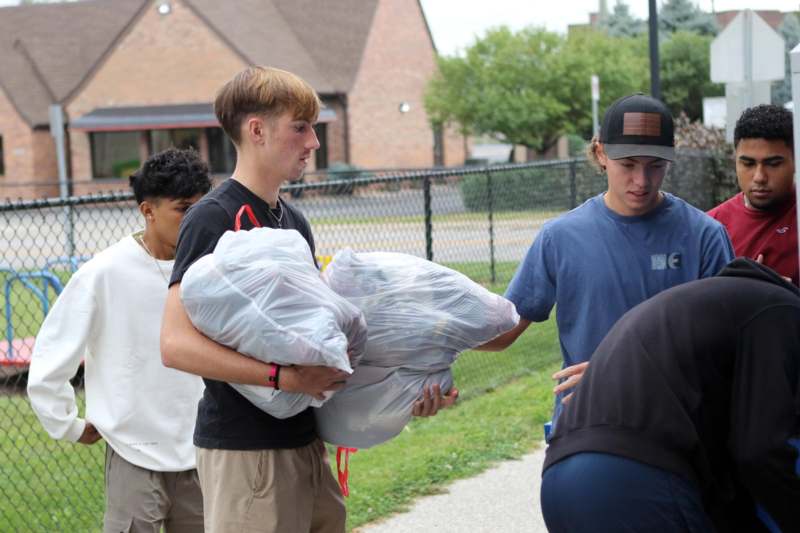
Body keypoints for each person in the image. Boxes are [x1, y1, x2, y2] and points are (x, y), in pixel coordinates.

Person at [159, 66, 457, 533]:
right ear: (256, 130)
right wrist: (284, 377)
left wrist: (408, 387)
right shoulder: (211, 219)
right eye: (300, 127)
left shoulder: (293, 221)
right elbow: (175, 344)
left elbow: (316, 339)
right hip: (247, 453)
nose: (314, 142)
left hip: (306, 443)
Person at [480, 93, 734, 424]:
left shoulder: (704, 236)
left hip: (677, 433)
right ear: (601, 153)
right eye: (628, 164)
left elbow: (724, 349)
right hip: (587, 430)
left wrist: (618, 375)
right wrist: (418, 351)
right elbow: (503, 333)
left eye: (655, 166)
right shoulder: (560, 237)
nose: (642, 181)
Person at [540, 258, 800, 533]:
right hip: (634, 480)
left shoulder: (718, 302)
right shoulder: (783, 311)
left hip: (561, 479)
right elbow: (761, 451)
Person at [27, 148, 212, 533]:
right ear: (148, 210)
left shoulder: (210, 267)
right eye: (182, 209)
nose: (194, 219)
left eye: (201, 208)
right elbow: (50, 358)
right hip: (133, 451)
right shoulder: (104, 273)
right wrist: (70, 425)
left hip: (202, 449)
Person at [708, 104, 798, 286]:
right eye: (748, 164)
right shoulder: (711, 228)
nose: (759, 177)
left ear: (795, 161)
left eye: (773, 164)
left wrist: (788, 296)